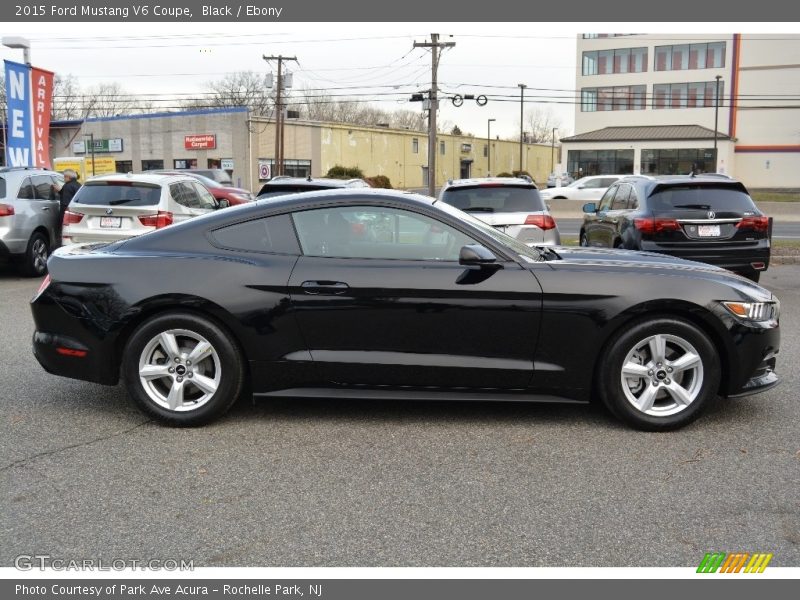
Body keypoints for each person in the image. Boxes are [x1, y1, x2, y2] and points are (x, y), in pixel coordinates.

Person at [53, 169, 81, 246]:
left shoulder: (67, 186)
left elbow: (65, 203)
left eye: (64, 177)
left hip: (68, 214)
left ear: (68, 177)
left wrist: (61, 218)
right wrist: (60, 191)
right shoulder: (79, 185)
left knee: (64, 234)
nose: (64, 179)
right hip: (78, 213)